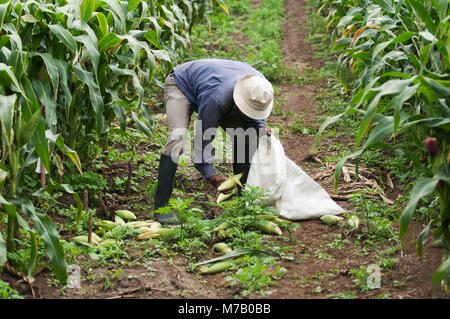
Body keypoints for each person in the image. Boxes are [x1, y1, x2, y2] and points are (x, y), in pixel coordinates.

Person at [154, 58, 274, 224]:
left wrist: (260, 125)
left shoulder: (261, 87)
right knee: (177, 139)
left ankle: (244, 198)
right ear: (240, 103)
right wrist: (209, 173)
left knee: (248, 135)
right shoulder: (216, 99)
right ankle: (162, 206)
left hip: (217, 84)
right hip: (181, 84)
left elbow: (256, 114)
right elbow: (204, 135)